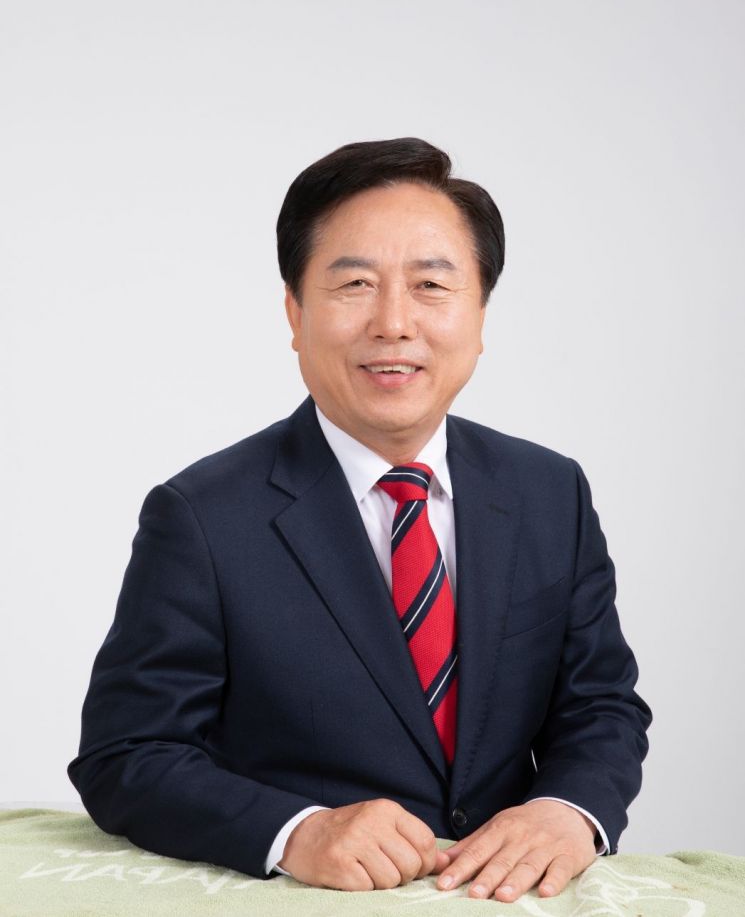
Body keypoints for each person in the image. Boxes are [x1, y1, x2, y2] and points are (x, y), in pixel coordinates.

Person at [68, 137, 652, 904]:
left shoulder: (549, 491)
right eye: (354, 284)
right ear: (295, 312)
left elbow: (599, 704)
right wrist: (296, 831)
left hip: (503, 896)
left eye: (430, 285)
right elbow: (126, 753)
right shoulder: (203, 516)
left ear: (479, 312)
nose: (393, 322)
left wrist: (567, 810)